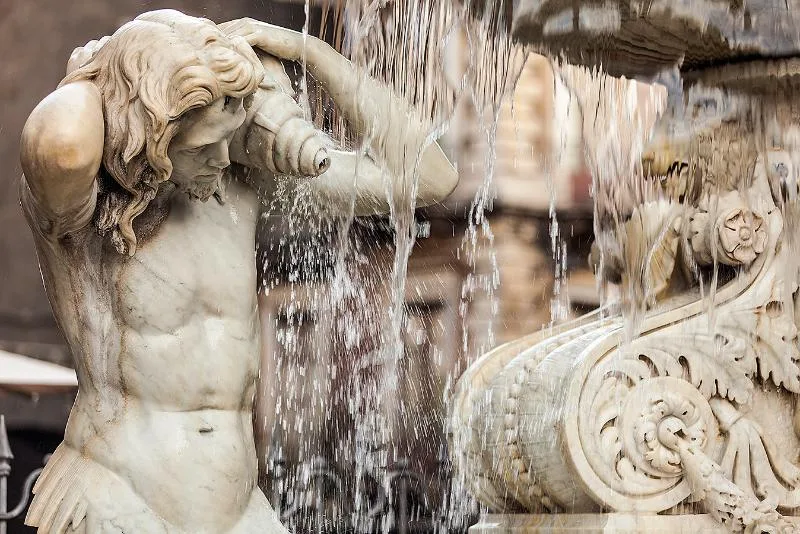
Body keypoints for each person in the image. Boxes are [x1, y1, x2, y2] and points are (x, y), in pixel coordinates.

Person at [19, 10, 457, 533]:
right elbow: (61, 145)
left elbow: (430, 177)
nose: (223, 158)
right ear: (151, 134)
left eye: (228, 138)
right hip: (122, 494)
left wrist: (309, 54)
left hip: (238, 509)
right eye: (203, 146)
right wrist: (102, 74)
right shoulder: (84, 212)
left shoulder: (240, 188)